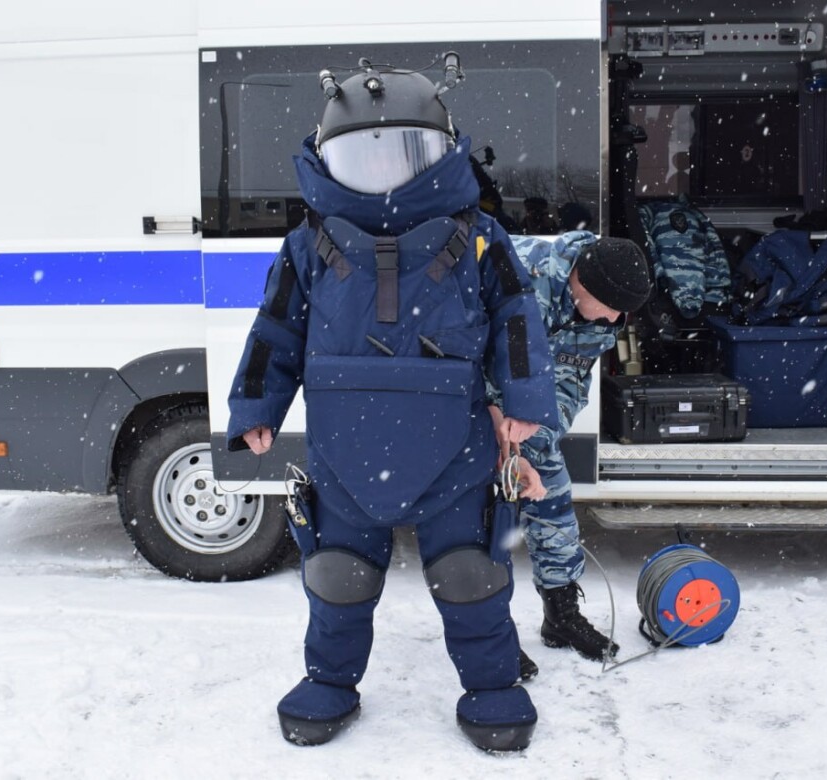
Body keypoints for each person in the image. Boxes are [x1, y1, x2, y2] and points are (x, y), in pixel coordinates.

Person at [227, 57, 558, 753]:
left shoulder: (479, 237)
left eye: (402, 151)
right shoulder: (306, 245)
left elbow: (517, 318)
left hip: (456, 448)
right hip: (344, 450)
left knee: (471, 573)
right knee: (337, 576)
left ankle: (493, 686)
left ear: (440, 152)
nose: (383, 171)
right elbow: (275, 330)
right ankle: (329, 681)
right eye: (363, 154)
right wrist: (256, 406)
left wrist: (524, 398)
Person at [488, 230, 651, 669]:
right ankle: (488, 634)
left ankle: (560, 615)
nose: (615, 319)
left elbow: (569, 381)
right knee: (485, 515)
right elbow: (471, 363)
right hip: (463, 397)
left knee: (552, 496)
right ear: (585, 282)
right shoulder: (521, 278)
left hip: (521, 412)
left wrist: (533, 440)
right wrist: (504, 443)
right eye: (612, 306)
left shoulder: (602, 315)